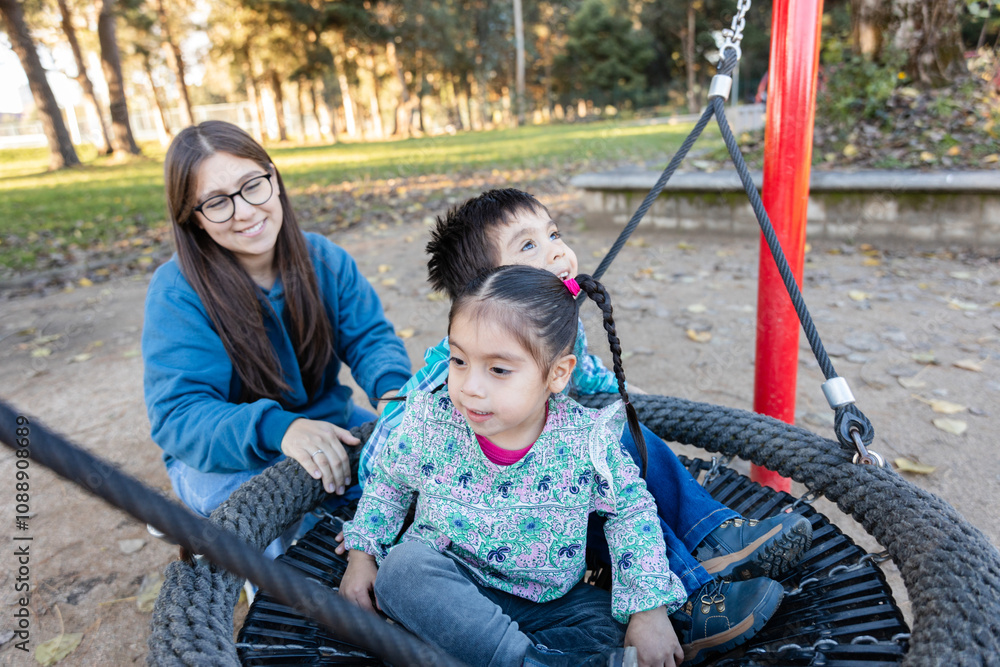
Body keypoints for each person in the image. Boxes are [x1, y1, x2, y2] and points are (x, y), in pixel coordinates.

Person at [349, 188, 810, 664]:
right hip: (454, 530)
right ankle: (684, 601)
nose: (555, 250)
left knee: (623, 444)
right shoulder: (447, 394)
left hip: (548, 560)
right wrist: (366, 541)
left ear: (555, 371)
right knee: (403, 574)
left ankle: (707, 543)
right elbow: (391, 455)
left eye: (553, 234)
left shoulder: (573, 395)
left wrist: (644, 608)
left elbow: (592, 388)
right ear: (488, 290)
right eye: (527, 246)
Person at [142, 120, 411, 557]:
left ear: (274, 178)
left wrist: (391, 390)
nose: (245, 211)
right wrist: (280, 429)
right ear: (193, 220)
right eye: (216, 202)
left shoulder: (324, 259)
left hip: (328, 422)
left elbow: (370, 339)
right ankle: (251, 567)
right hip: (225, 455)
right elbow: (179, 415)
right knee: (287, 526)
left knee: (407, 469)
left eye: (252, 185)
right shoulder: (177, 293)